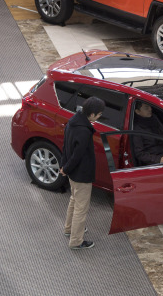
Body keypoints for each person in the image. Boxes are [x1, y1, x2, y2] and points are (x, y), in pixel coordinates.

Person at [60, 96, 104, 250]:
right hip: (81, 175)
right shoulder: (84, 131)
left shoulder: (72, 121)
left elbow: (65, 146)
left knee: (74, 200)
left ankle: (69, 229)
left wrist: (64, 166)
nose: (99, 117)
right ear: (91, 114)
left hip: (72, 174)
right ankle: (76, 241)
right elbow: (77, 155)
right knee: (81, 208)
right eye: (99, 115)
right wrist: (66, 168)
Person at [132, 101, 163, 166]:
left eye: (150, 106)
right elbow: (139, 154)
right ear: (137, 111)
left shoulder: (154, 118)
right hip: (153, 162)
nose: (150, 109)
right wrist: (158, 160)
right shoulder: (136, 129)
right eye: (146, 108)